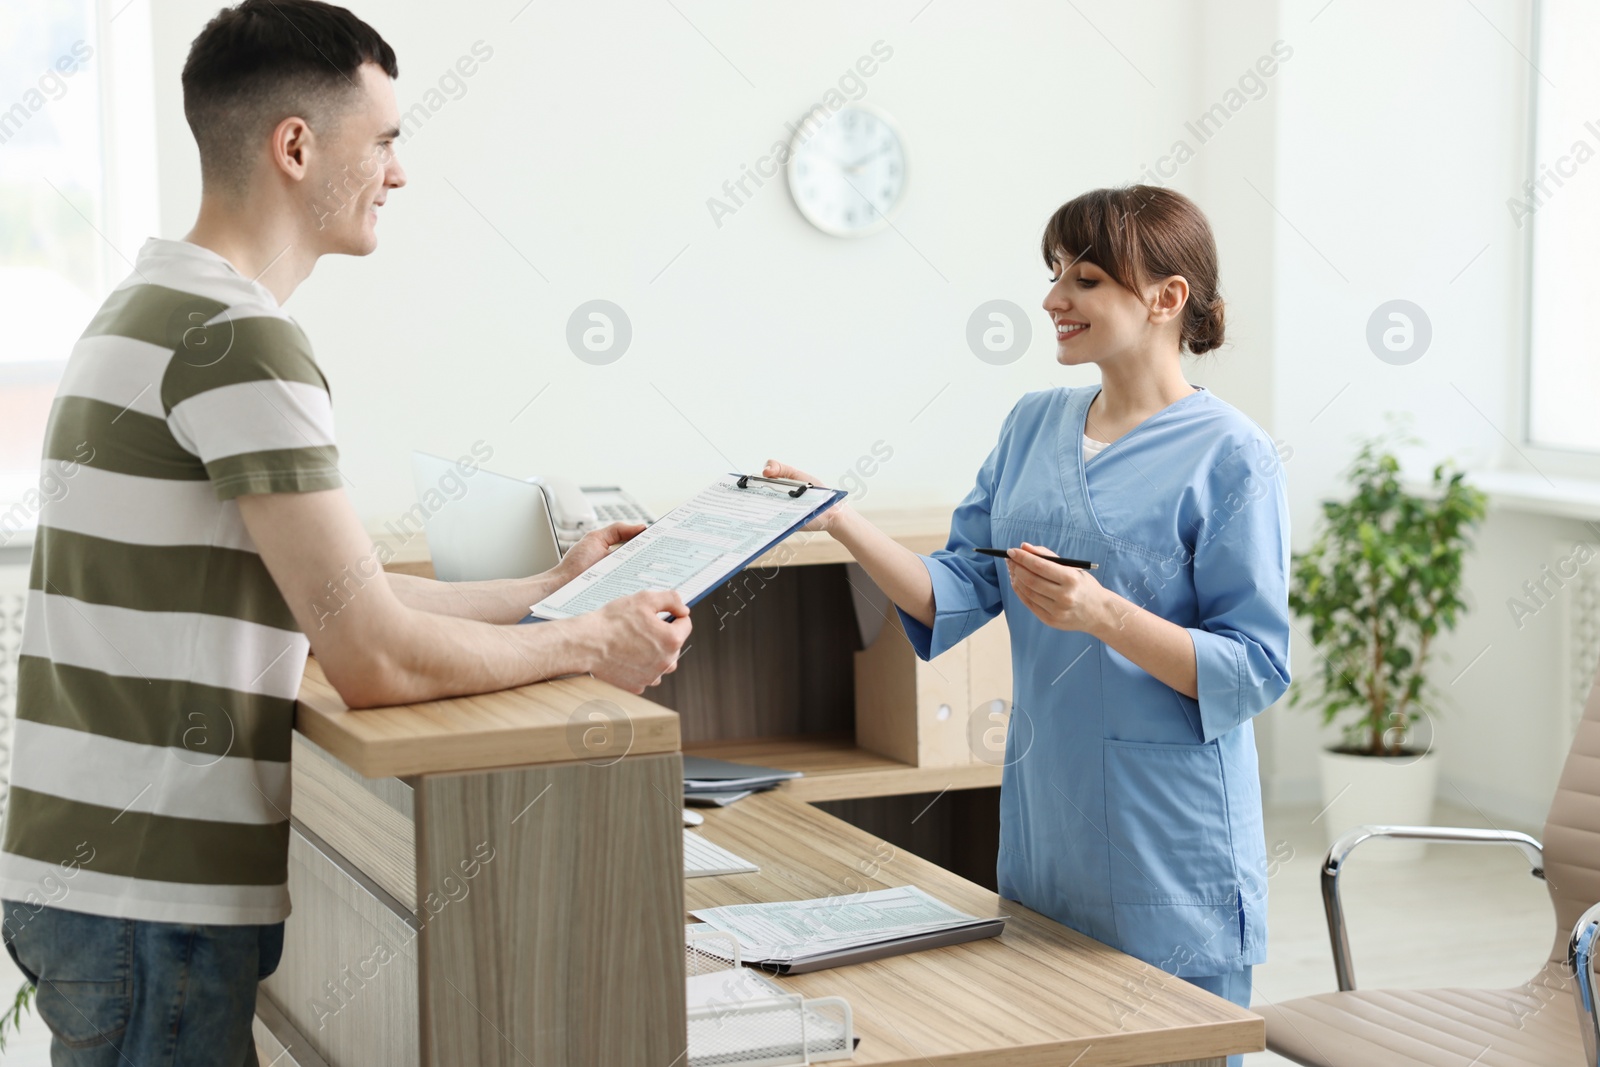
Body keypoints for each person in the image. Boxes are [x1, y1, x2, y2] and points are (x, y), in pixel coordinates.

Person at [0, 2, 690, 1062]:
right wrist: (593, 645)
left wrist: (549, 587)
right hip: (149, 894)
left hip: (100, 882)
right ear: (295, 145)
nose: (399, 174)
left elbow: (333, 592)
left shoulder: (153, 303)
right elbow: (370, 655)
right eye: (386, 142)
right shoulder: (239, 340)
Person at [768, 185, 1288, 1063]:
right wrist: (840, 521)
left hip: (1169, 837)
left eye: (1084, 278)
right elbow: (952, 589)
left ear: (1167, 298)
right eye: (1053, 274)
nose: (1053, 299)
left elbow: (1254, 669)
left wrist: (1104, 614)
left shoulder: (1232, 456)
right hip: (1050, 822)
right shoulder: (1032, 425)